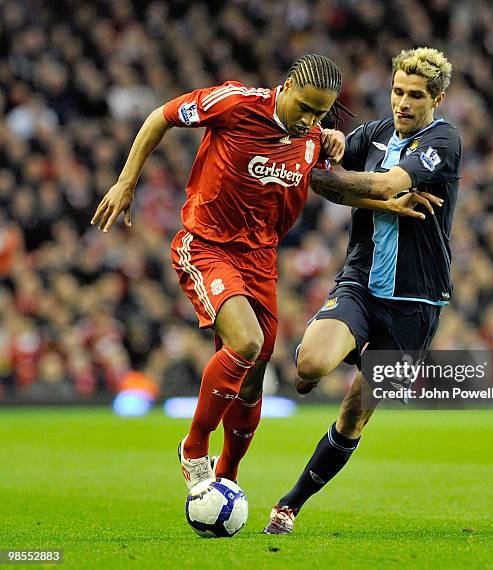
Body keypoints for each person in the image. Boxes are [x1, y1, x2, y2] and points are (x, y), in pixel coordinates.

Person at [91, 54, 435, 490]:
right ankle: (194, 447)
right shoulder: (235, 103)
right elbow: (160, 116)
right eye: (305, 106)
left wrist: (384, 204)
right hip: (209, 246)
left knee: (253, 382)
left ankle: (227, 477)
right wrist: (126, 181)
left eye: (320, 112)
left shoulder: (312, 139)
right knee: (247, 342)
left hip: (261, 263)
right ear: (288, 86)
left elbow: (328, 186)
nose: (308, 119)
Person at [265, 47, 460, 534]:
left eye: (416, 95)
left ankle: (290, 505)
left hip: (417, 304)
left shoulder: (443, 139)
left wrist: (364, 188)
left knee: (355, 413)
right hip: (361, 283)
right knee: (307, 367)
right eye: (398, 91)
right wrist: (344, 166)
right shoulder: (371, 134)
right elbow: (317, 176)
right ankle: (338, 354)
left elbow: (387, 182)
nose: (403, 103)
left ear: (437, 98)